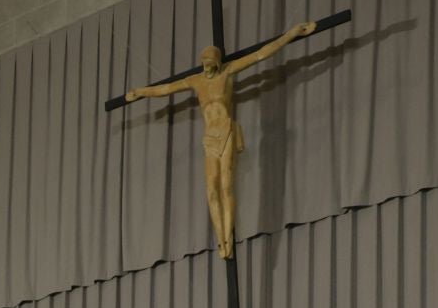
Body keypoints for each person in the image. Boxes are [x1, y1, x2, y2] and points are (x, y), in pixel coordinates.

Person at [121, 20, 320, 258]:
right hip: (209, 137)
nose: (206, 68)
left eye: (210, 64)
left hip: (226, 130)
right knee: (211, 190)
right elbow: (166, 89)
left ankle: (228, 235)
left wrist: (291, 34)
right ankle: (221, 240)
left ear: (216, 63)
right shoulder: (195, 82)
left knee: (226, 185)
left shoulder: (227, 72)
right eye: (204, 64)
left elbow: (260, 54)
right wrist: (139, 92)